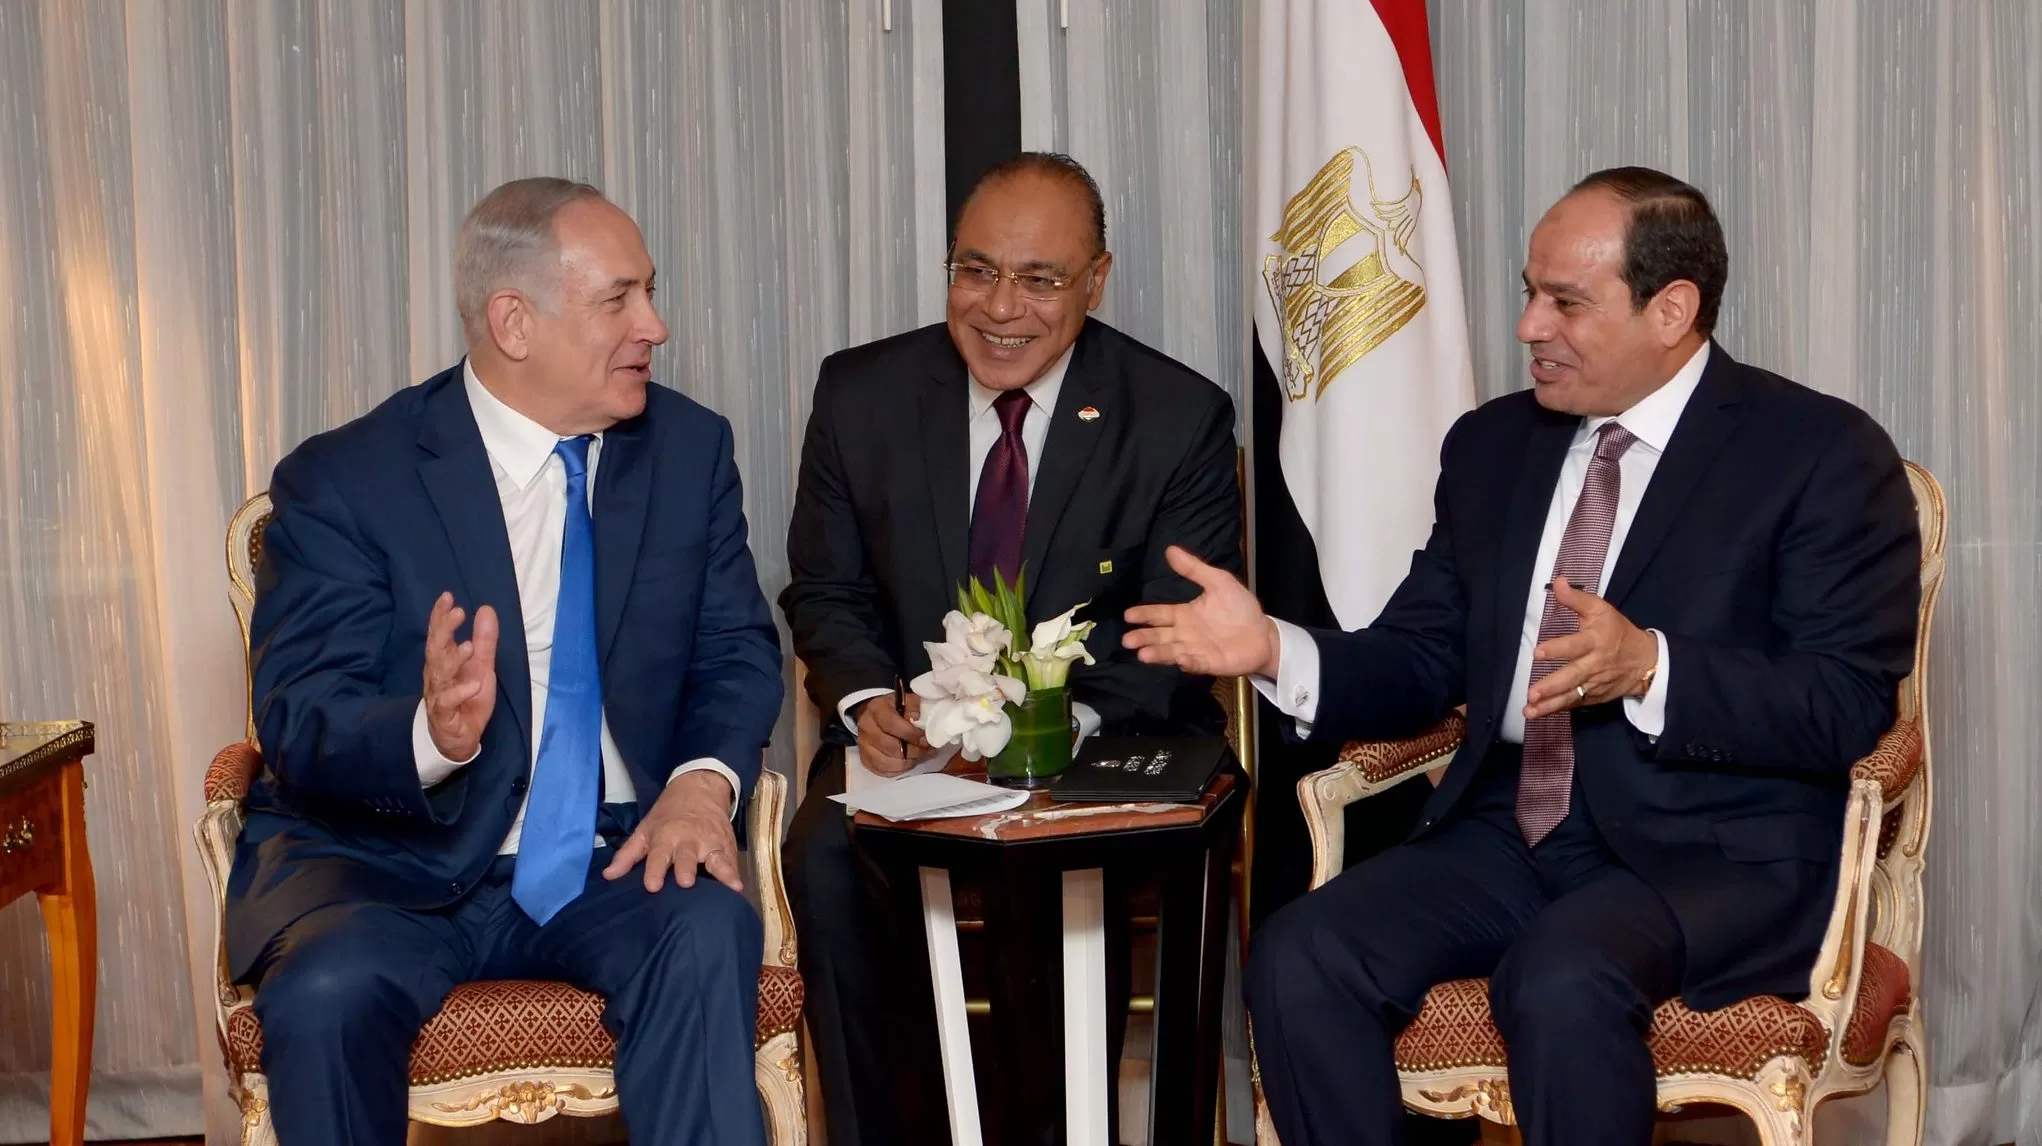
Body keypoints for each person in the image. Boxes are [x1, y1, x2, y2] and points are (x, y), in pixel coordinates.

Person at [1124, 167, 1921, 1145]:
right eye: (1528, 292)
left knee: (1559, 977)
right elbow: (1422, 657)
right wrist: (1271, 649)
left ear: (1670, 310)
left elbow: (1842, 701)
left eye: (1565, 302)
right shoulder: (1492, 447)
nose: (1528, 326)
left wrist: (1651, 668)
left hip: (1711, 848)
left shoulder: (1817, 453)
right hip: (1511, 826)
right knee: (1301, 956)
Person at [226, 178, 784, 1146]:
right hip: (387, 865)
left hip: (617, 854)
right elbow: (301, 712)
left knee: (705, 930)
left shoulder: (688, 450)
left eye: (650, 291)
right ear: (513, 322)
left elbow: (734, 649)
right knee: (325, 992)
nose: (654, 327)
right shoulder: (347, 479)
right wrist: (429, 733)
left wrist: (701, 785)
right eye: (619, 300)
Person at [779, 151, 1242, 1144]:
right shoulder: (860, 395)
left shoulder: (1175, 416)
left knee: (1054, 867)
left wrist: (1041, 729)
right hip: (906, 745)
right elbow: (826, 590)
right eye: (976, 270)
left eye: (1039, 279)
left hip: (1099, 741)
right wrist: (865, 702)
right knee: (822, 854)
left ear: (1096, 280)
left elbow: (1175, 629)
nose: (1000, 308)